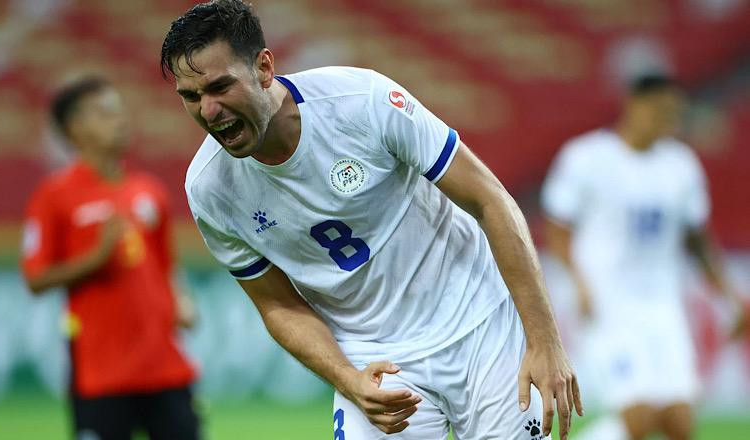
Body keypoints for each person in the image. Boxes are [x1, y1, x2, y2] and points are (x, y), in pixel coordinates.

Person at [160, 1, 582, 439]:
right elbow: (277, 304)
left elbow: (490, 201)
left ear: (264, 68)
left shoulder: (361, 102)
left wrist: (545, 341)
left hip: (479, 323)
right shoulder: (210, 189)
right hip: (375, 358)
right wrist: (347, 378)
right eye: (191, 97)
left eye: (221, 87)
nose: (209, 111)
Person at [541, 75, 747, 440]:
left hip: (663, 305)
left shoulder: (681, 165)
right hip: (608, 304)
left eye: (673, 113)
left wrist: (729, 295)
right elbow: (557, 229)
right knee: (639, 417)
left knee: (679, 423)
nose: (668, 120)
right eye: (661, 110)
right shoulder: (587, 157)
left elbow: (697, 241)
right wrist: (577, 280)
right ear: (634, 105)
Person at [21, 76, 201, 440]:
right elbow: (35, 278)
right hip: (102, 371)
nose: (119, 121)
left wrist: (180, 300)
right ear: (74, 128)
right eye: (104, 113)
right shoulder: (54, 196)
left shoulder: (148, 191)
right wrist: (96, 258)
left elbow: (166, 264)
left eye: (119, 111)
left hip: (164, 364)